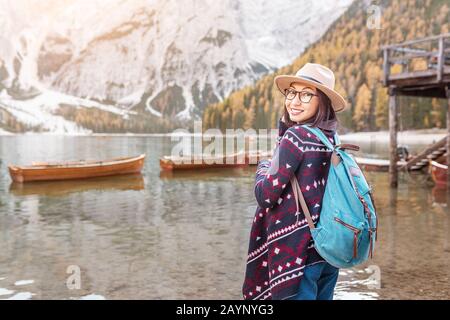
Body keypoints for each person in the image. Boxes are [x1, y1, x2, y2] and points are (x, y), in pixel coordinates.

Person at [243, 63, 347, 300]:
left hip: (298, 253)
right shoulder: (332, 137)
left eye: (306, 94)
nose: (294, 101)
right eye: (291, 93)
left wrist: (262, 166)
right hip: (327, 246)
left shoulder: (297, 137)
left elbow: (265, 195)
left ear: (323, 101)